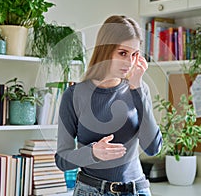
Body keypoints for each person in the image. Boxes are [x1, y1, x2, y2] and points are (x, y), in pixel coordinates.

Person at [55, 15, 162, 196]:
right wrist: (93, 153)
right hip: (90, 190)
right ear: (105, 51)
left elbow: (152, 148)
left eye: (134, 54)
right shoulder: (74, 95)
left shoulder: (138, 89)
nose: (129, 62)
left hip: (136, 190)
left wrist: (137, 89)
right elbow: (62, 160)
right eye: (122, 53)